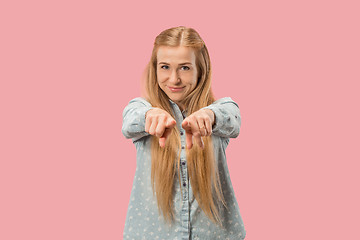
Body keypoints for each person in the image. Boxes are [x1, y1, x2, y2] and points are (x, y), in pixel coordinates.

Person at [122, 26, 246, 240]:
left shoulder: (221, 109)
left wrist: (209, 116)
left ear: (201, 70)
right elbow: (129, 121)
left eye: (185, 68)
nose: (174, 79)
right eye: (165, 67)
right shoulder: (141, 108)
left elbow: (232, 118)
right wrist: (149, 116)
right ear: (155, 69)